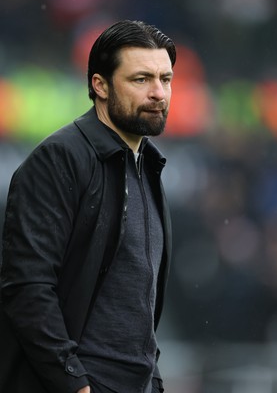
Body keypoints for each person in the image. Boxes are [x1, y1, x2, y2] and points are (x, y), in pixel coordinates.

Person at [0, 19, 176, 393]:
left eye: (166, 79)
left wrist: (153, 380)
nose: (159, 93)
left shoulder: (148, 164)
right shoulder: (59, 159)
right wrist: (74, 383)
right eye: (141, 79)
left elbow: (138, 301)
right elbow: (27, 286)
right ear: (100, 85)